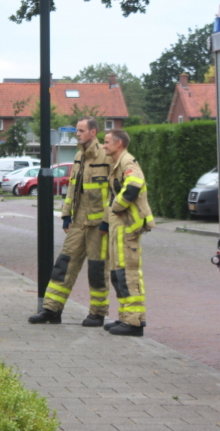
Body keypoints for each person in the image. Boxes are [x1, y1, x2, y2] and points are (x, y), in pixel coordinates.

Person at [28, 117, 113, 326]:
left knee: (97, 270)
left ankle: (97, 313)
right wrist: (66, 215)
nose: (78, 134)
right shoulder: (78, 157)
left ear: (93, 132)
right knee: (63, 265)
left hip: (98, 227)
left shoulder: (107, 156)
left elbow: (114, 193)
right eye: (77, 130)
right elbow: (72, 189)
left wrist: (106, 222)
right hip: (78, 223)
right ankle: (51, 310)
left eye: (82, 130)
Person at [101, 129, 155, 337]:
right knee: (118, 274)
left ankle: (133, 323)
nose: (104, 146)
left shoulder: (128, 162)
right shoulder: (118, 163)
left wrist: (116, 207)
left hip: (128, 228)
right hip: (120, 228)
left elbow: (133, 188)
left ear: (119, 144)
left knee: (128, 274)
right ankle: (126, 317)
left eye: (107, 142)